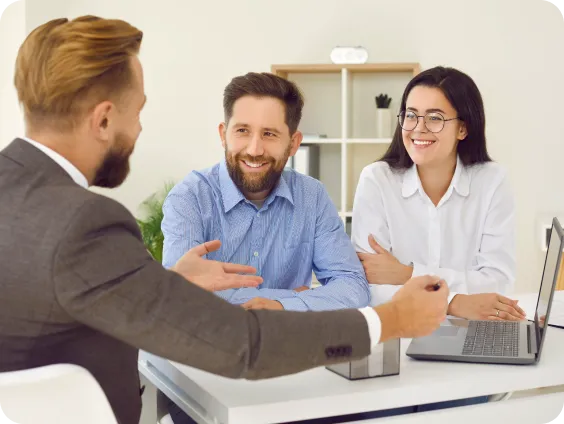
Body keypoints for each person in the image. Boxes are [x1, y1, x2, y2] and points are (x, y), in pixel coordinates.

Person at [0, 16, 449, 424]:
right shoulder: (87, 222)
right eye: (137, 111)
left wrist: (174, 282)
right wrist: (392, 319)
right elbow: (241, 344)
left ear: (293, 143)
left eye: (270, 134)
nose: (138, 130)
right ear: (102, 119)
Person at [162, 72, 370, 312]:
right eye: (242, 131)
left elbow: (354, 287)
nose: (254, 149)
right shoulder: (190, 198)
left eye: (269, 134)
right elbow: (182, 294)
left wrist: (279, 305)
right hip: (210, 346)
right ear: (223, 135)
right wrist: (291, 298)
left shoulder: (311, 196)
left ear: (293, 143)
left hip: (287, 346)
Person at [352, 66, 525, 322]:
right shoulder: (377, 180)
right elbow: (371, 285)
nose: (418, 129)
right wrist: (453, 302)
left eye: (435, 118)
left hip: (473, 329)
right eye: (411, 115)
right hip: (399, 332)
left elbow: (498, 282)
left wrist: (407, 274)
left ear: (463, 129)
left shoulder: (492, 181)